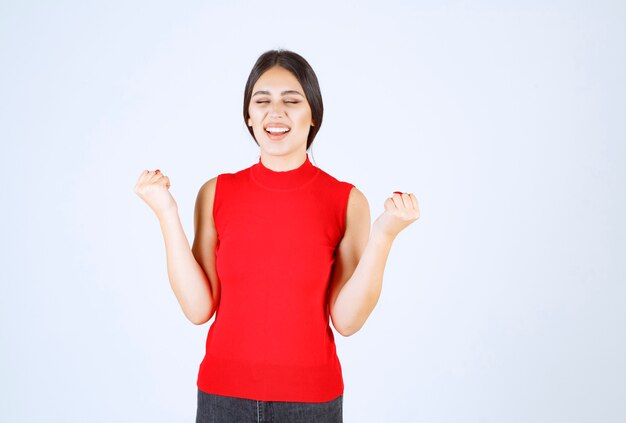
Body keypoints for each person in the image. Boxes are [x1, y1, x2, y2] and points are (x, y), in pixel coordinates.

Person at [134, 49, 420, 423]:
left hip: (311, 403)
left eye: (292, 101)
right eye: (262, 101)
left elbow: (347, 320)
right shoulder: (215, 193)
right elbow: (198, 308)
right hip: (222, 398)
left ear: (313, 113)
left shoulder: (347, 200)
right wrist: (165, 213)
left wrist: (385, 235)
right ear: (249, 117)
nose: (276, 113)